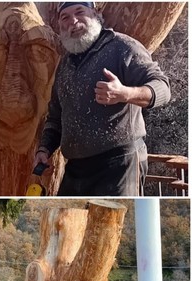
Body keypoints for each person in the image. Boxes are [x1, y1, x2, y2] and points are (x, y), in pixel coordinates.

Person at [33, 1, 171, 196]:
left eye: (80, 12)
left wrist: (125, 93)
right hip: (75, 169)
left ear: (95, 14)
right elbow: (56, 117)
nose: (73, 21)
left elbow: (163, 88)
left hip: (120, 164)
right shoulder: (64, 66)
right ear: (59, 25)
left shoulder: (122, 47)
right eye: (65, 17)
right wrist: (44, 150)